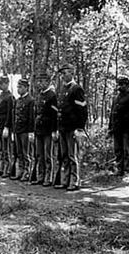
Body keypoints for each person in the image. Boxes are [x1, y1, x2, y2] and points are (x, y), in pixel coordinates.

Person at [55, 63, 88, 191]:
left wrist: (80, 128)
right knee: (64, 155)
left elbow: (82, 110)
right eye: (62, 74)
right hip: (63, 127)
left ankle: (75, 181)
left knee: (72, 156)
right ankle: (65, 180)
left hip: (72, 128)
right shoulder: (62, 89)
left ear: (72, 73)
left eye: (65, 73)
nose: (63, 76)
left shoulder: (76, 89)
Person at [108, 75, 129, 176]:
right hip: (117, 129)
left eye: (123, 84)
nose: (121, 86)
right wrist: (110, 128)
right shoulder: (116, 99)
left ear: (127, 86)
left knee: (127, 151)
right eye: (119, 84)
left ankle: (128, 171)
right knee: (118, 150)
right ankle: (119, 169)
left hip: (127, 129)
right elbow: (112, 114)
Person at [32, 73, 57, 186]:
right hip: (39, 130)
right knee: (39, 155)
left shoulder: (52, 96)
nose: (40, 84)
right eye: (38, 81)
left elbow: (54, 115)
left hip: (47, 130)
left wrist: (54, 130)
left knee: (48, 155)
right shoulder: (39, 96)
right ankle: (40, 176)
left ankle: (49, 177)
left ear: (47, 82)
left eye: (42, 81)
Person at [11, 78, 35, 181]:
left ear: (26, 88)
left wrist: (31, 132)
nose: (18, 89)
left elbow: (31, 117)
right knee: (19, 152)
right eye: (18, 87)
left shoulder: (30, 100)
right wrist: (13, 130)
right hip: (18, 130)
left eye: (20, 87)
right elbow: (14, 116)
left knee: (26, 153)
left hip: (25, 130)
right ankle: (20, 170)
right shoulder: (18, 100)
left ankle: (27, 171)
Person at [0, 75, 14, 177]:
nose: (1, 85)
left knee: (6, 149)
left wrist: (7, 126)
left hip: (4, 124)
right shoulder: (0, 96)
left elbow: (10, 113)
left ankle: (8, 169)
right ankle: (1, 168)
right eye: (0, 83)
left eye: (3, 83)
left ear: (7, 84)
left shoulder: (10, 97)